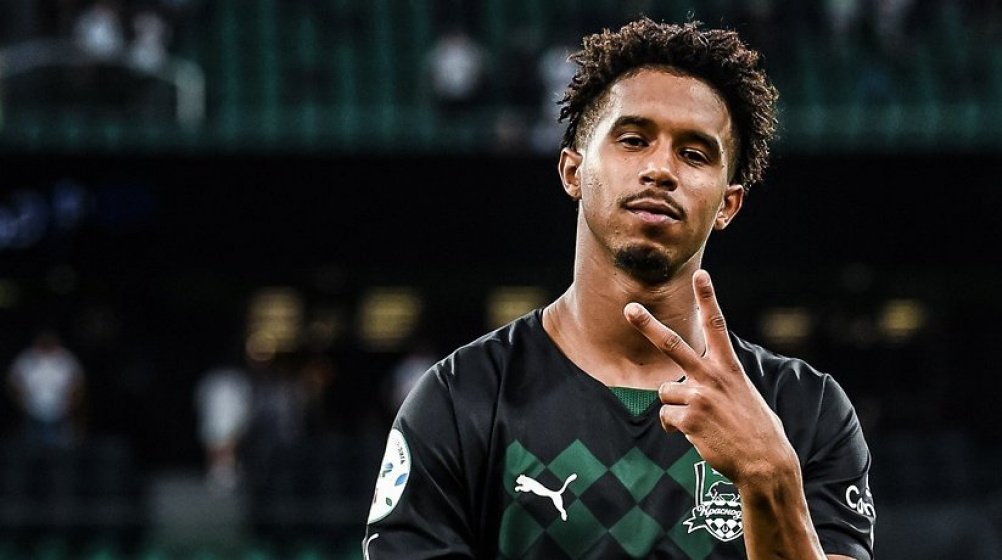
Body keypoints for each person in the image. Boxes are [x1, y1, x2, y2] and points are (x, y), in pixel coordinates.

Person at [362, 16, 875, 559]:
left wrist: (769, 474)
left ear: (728, 204)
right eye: (633, 140)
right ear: (572, 171)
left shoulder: (805, 410)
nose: (660, 169)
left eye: (694, 153)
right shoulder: (461, 399)